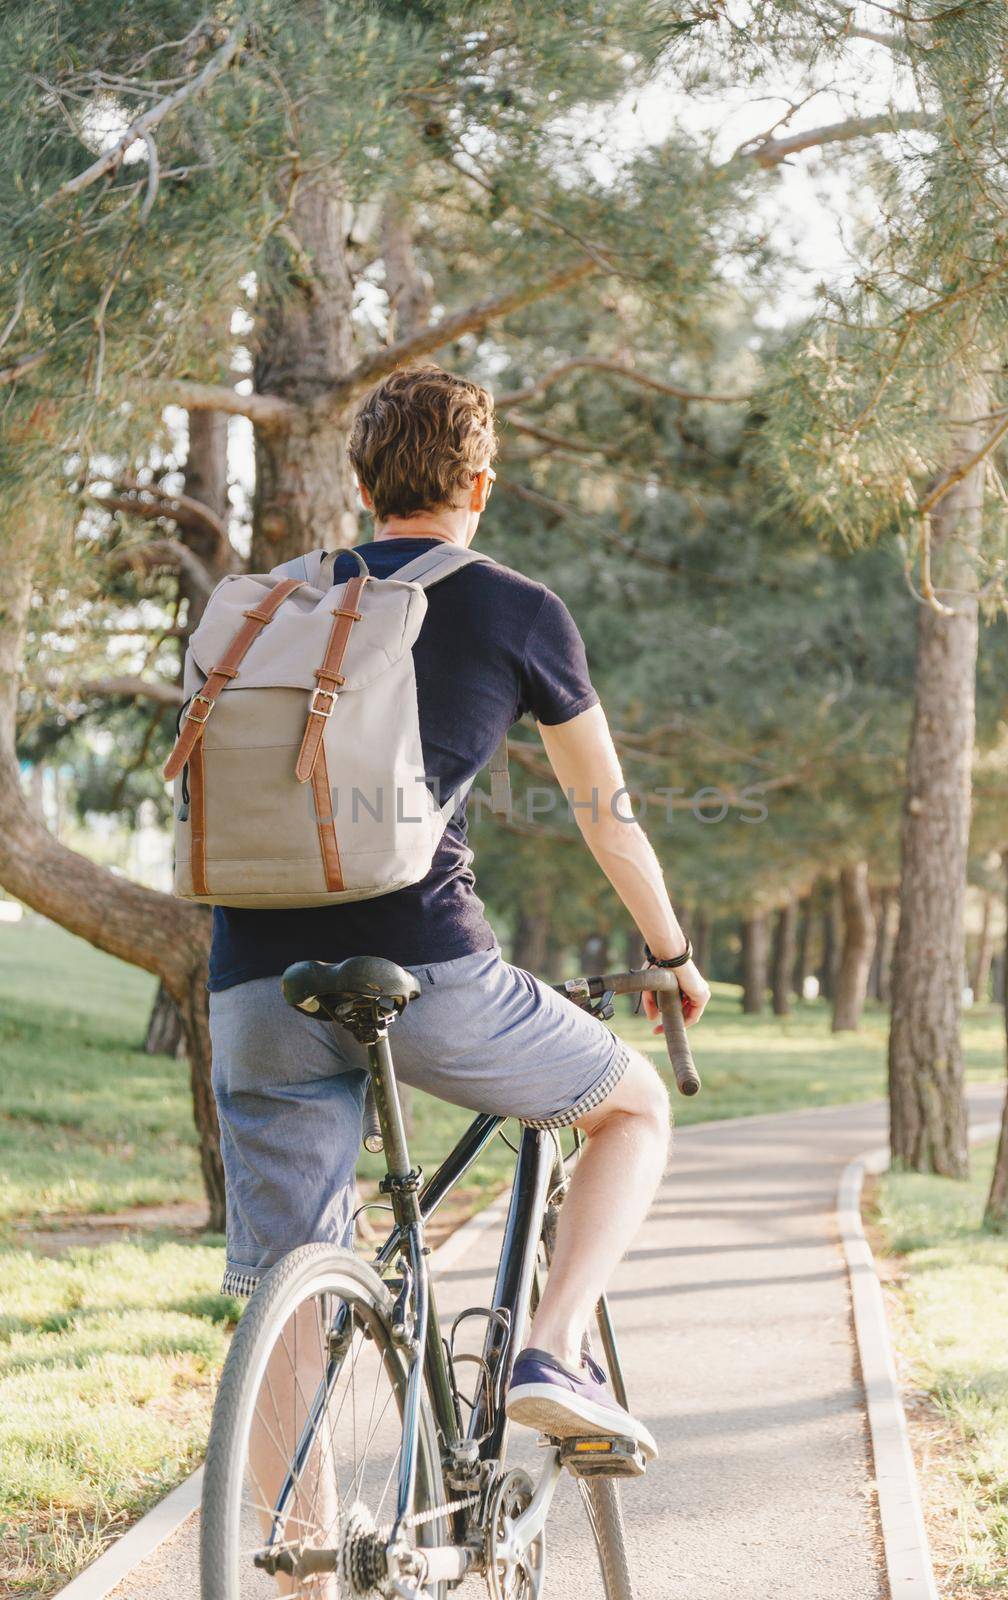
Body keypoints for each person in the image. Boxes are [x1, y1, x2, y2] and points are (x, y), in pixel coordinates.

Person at [208, 364, 710, 1462]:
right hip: (426, 971)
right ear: (479, 483)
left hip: (251, 979)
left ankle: (292, 1573)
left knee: (291, 1305)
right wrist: (670, 953)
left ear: (364, 483)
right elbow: (608, 819)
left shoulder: (275, 600)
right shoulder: (516, 608)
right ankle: (554, 1349)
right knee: (630, 1109)